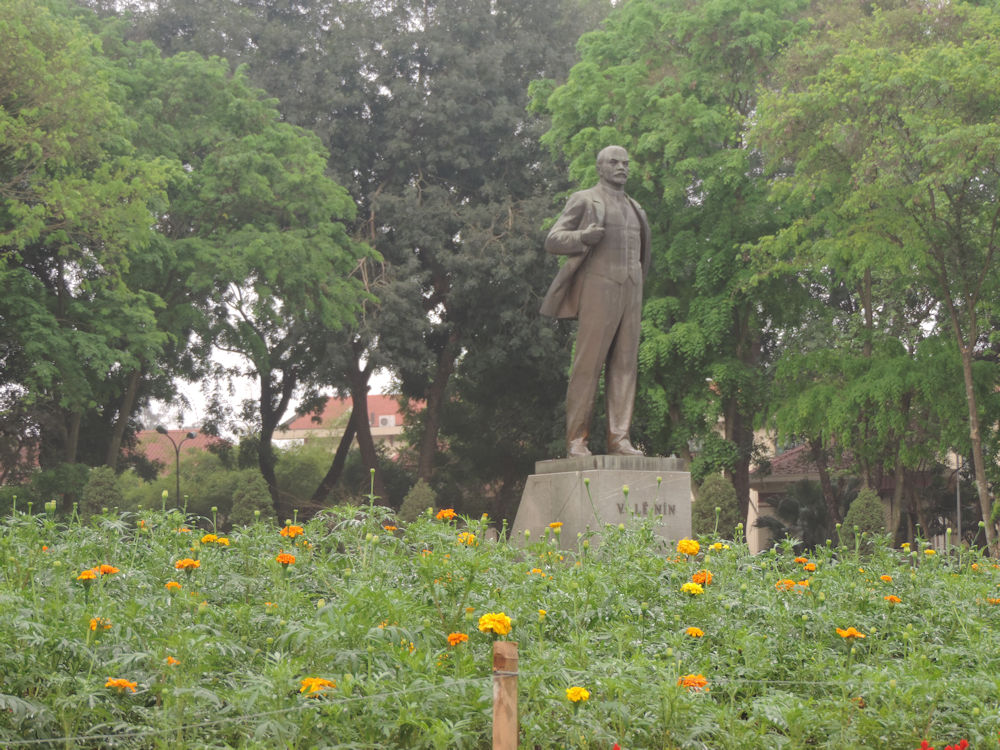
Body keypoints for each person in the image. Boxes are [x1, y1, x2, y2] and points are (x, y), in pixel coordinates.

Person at [540, 145, 651, 457]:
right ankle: (577, 440)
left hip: (632, 289)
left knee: (625, 366)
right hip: (599, 286)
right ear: (600, 168)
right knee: (587, 366)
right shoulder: (585, 199)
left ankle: (620, 439)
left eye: (625, 163)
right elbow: (553, 239)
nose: (621, 167)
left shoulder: (636, 207)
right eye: (614, 162)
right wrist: (581, 237)